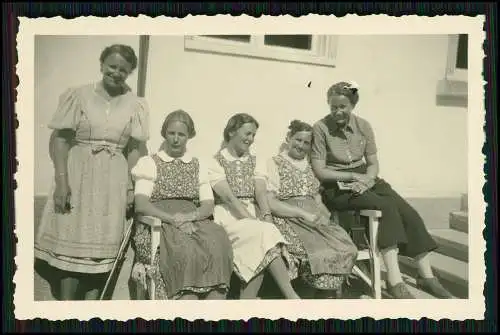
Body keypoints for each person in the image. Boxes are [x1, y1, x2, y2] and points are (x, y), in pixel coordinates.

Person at [310, 81, 454, 299]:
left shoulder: (363, 126)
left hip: (366, 178)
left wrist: (367, 179)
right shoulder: (320, 128)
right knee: (385, 206)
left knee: (408, 212)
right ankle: (395, 280)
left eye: (343, 107)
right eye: (333, 107)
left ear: (352, 106)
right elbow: (321, 171)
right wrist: (352, 176)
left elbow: (373, 162)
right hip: (336, 185)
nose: (338, 112)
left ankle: (427, 276)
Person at [34, 44, 150, 300]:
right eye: (112, 66)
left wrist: (132, 188)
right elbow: (60, 142)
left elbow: (133, 150)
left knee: (100, 252)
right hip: (78, 177)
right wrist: (62, 183)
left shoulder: (135, 104)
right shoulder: (78, 96)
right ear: (101, 65)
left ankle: (90, 312)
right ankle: (66, 312)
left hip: (113, 184)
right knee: (72, 246)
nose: (116, 73)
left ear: (129, 72)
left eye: (123, 69)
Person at [130, 110, 234, 300]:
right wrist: (174, 220)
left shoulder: (197, 164)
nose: (176, 139)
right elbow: (141, 205)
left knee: (218, 241)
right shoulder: (150, 163)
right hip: (160, 219)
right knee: (184, 249)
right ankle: (186, 298)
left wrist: (189, 217)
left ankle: (215, 302)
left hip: (192, 217)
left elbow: (208, 205)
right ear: (164, 134)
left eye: (181, 134)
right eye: (172, 133)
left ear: (189, 136)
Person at [208, 113, 300, 299]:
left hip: (252, 213)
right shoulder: (215, 161)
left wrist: (265, 215)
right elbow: (229, 199)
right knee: (263, 235)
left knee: (261, 243)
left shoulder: (255, 160)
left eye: (253, 135)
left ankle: (247, 302)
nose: (250, 139)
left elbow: (260, 191)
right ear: (232, 131)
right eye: (247, 134)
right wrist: (255, 222)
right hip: (228, 216)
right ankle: (292, 297)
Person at [266, 120, 359, 299]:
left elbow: (316, 197)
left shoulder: (309, 166)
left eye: (306, 142)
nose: (301, 145)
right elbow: (271, 202)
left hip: (314, 216)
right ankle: (318, 294)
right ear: (288, 138)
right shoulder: (275, 163)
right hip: (289, 217)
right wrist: (301, 213)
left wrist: (325, 216)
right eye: (298, 140)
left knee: (347, 247)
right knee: (316, 252)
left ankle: (326, 294)